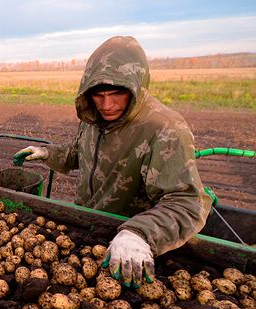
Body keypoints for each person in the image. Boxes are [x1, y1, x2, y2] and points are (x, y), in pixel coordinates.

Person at [14, 36, 212, 288]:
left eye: (118, 93)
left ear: (136, 86)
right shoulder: (93, 117)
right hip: (88, 225)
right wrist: (46, 153)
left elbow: (187, 202)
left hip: (131, 247)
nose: (107, 105)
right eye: (99, 95)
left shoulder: (163, 128)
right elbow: (78, 153)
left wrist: (139, 233)